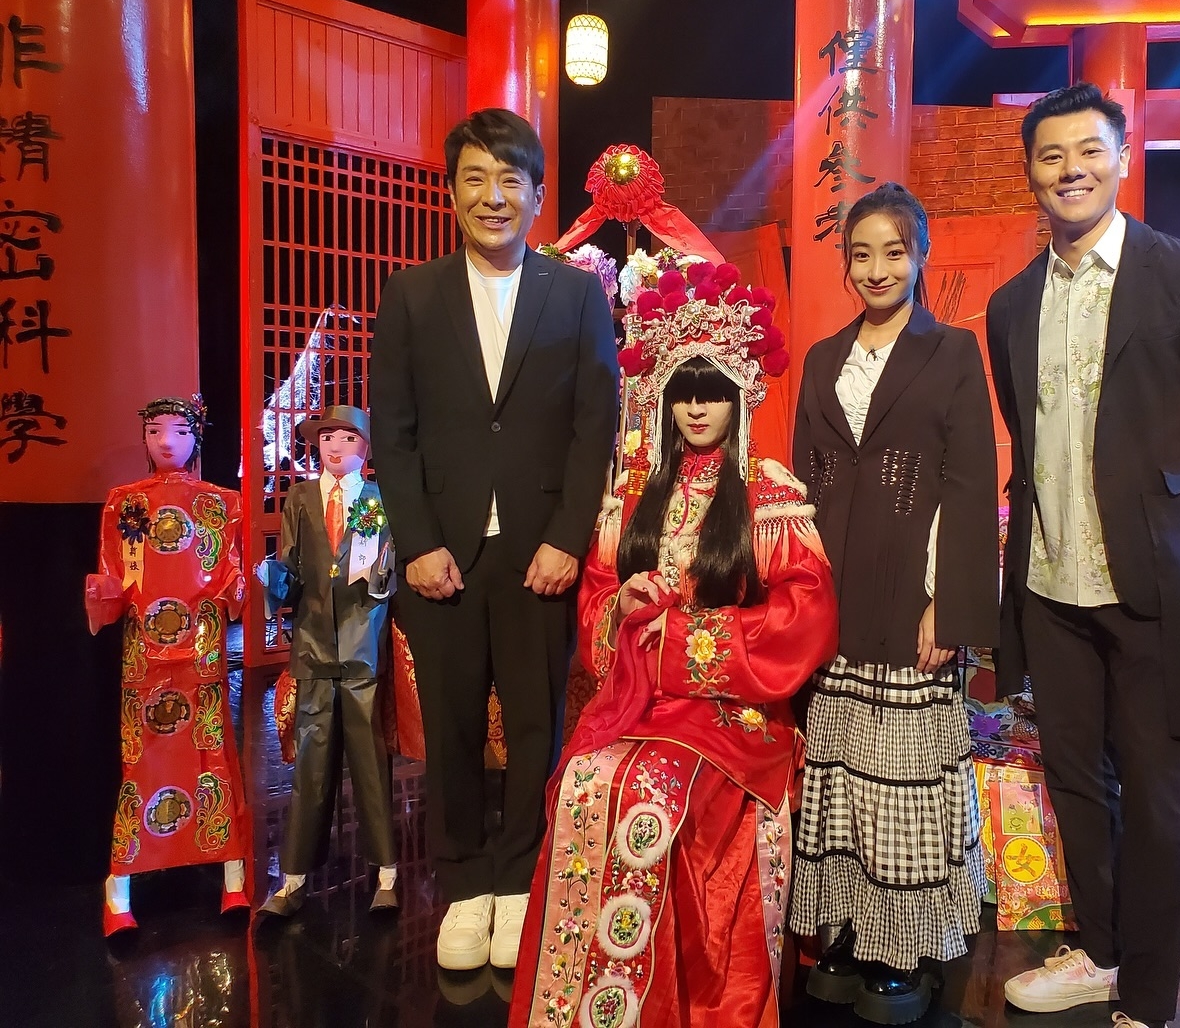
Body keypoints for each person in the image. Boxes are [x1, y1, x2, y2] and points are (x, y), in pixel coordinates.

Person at [986, 83, 1180, 1028]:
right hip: (1049, 583)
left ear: (1122, 157)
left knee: (1157, 797)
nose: (1071, 170)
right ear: (1031, 173)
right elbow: (1025, 437)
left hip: (1155, 586)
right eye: (1051, 156)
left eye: (1088, 151)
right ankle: (1099, 953)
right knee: (1074, 781)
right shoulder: (1011, 303)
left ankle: (1147, 994)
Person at [507, 263, 839, 1028]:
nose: (696, 407)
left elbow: (807, 615)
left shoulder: (767, 494)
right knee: (584, 783)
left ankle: (671, 1006)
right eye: (684, 392)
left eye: (711, 391)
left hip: (732, 712)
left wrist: (685, 637)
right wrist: (621, 609)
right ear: (662, 397)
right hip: (640, 700)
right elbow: (597, 599)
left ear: (739, 396)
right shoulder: (633, 494)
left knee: (648, 800)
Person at [369, 109, 620, 971]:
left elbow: (594, 425)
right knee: (448, 728)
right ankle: (463, 884)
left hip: (536, 556)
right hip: (441, 555)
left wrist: (566, 537)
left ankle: (517, 879)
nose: (493, 196)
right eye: (475, 178)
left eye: (511, 180)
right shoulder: (412, 295)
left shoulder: (576, 296)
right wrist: (416, 542)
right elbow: (393, 431)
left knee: (535, 723)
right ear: (451, 193)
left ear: (538, 196)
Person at [789, 182, 1000, 1024]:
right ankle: (843, 930)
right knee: (839, 779)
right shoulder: (822, 359)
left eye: (893, 252)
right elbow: (804, 480)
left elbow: (970, 483)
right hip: (833, 597)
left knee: (900, 782)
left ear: (920, 256)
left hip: (910, 594)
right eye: (861, 254)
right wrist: (794, 594)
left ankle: (899, 948)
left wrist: (946, 607)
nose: (876, 269)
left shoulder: (951, 352)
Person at [85, 395, 251, 935]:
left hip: (201, 647)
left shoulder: (222, 503)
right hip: (145, 651)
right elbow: (115, 573)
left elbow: (230, 570)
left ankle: (232, 876)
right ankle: (118, 889)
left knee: (211, 755)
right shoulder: (124, 503)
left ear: (196, 437)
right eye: (155, 430)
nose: (166, 441)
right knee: (142, 762)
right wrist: (104, 590)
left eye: (179, 431)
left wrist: (241, 586)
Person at [254, 405, 400, 918]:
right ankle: (293, 876)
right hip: (313, 643)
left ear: (366, 447)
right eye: (327, 438)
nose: (335, 447)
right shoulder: (300, 497)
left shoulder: (378, 498)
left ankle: (387, 871)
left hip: (363, 643)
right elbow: (292, 564)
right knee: (311, 761)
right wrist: (273, 582)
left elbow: (385, 569)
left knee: (371, 759)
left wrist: (384, 578)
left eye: (347, 438)